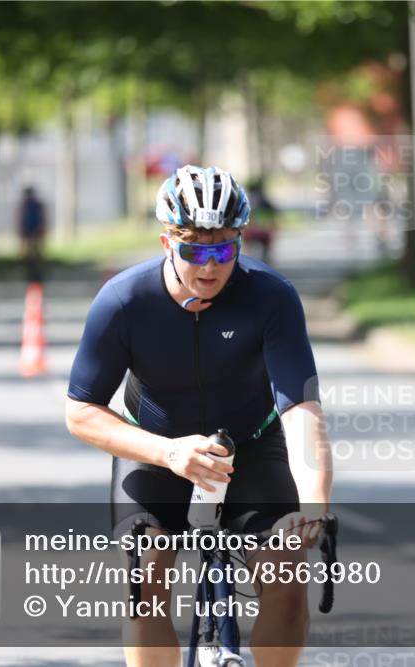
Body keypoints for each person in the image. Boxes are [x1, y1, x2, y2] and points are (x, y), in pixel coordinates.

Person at [65, 165, 332, 667]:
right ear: (167, 241)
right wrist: (168, 452)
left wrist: (314, 504)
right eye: (195, 251)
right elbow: (80, 412)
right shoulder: (124, 301)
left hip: (251, 448)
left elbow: (301, 411)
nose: (210, 267)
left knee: (287, 578)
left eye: (224, 250)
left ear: (240, 242)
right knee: (145, 581)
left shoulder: (271, 297)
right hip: (157, 449)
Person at [19, 186, 46, 282]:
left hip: (33, 228)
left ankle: (39, 267)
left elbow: (40, 216)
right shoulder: (27, 204)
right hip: (31, 229)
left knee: (35, 249)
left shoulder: (31, 204)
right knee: (32, 249)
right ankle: (31, 267)